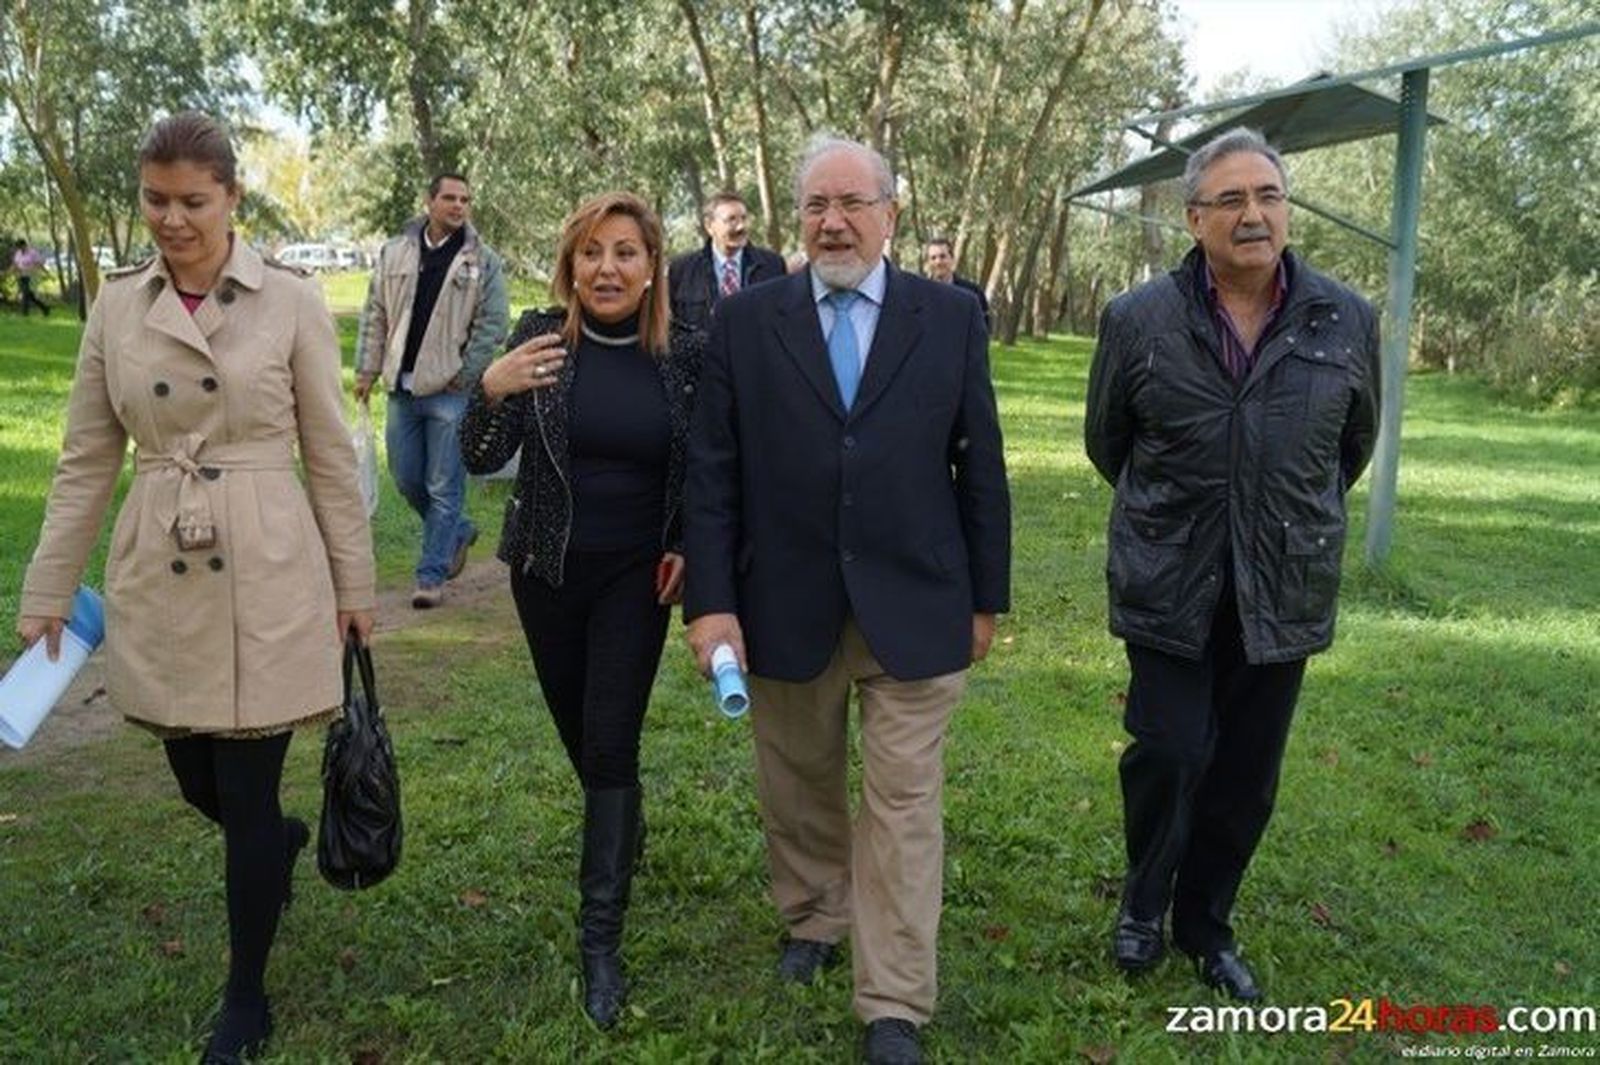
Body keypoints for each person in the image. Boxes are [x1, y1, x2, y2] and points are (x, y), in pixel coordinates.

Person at [15, 111, 376, 1063]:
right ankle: (277, 847)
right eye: (155, 200)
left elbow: (332, 455)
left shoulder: (290, 301)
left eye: (192, 201)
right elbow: (88, 456)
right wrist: (47, 589)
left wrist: (355, 586)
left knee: (248, 793)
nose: (171, 220)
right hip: (162, 556)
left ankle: (245, 996)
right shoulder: (115, 305)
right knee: (195, 776)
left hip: (264, 557)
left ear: (231, 201)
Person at [683, 135, 1011, 1065]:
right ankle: (817, 916)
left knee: (904, 804)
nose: (833, 222)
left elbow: (979, 464)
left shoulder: (948, 318)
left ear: (890, 216)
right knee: (799, 780)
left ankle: (895, 1000)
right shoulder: (750, 324)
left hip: (917, 599)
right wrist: (711, 603)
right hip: (781, 601)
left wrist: (987, 598)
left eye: (853, 204)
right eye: (817, 205)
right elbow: (713, 473)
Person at [1084, 128, 1380, 1001]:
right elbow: (1110, 442)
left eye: (1270, 196)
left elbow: (1351, 446)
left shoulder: (1345, 316)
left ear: (1286, 207)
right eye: (1233, 200)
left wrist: (1276, 515)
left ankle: (1205, 923)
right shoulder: (1138, 319)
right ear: (1195, 217)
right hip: (1171, 575)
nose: (1255, 215)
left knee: (1247, 775)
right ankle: (1143, 898)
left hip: (1283, 581)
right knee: (1170, 749)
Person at [458, 191, 702, 1029]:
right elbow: (480, 454)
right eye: (592, 253)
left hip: (637, 581)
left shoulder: (683, 357)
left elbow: (709, 469)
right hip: (546, 574)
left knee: (610, 739)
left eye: (625, 252)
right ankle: (619, 821)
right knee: (583, 739)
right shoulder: (541, 340)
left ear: (650, 267)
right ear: (570, 266)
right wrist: (487, 388)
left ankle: (601, 941)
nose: (607, 268)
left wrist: (688, 542)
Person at [354, 172, 509, 609]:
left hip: (450, 392)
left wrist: (467, 373)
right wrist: (366, 369)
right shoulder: (395, 251)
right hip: (401, 389)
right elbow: (375, 314)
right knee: (406, 479)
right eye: (449, 198)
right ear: (429, 202)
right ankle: (457, 531)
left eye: (465, 199)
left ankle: (430, 575)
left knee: (443, 485)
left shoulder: (483, 260)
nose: (459, 206)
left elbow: (493, 324)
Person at [667, 191, 786, 334]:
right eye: (731, 219)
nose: (741, 226)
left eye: (744, 218)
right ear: (709, 226)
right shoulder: (682, 270)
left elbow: (783, 321)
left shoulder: (772, 265)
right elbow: (674, 327)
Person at [922, 237, 990, 334]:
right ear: (928, 262)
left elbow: (983, 331)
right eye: (933, 258)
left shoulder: (973, 292)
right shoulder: (920, 294)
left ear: (952, 259)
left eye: (942, 256)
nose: (938, 262)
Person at [11, 238, 50, 316]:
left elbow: (39, 263)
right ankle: (44, 308)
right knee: (29, 295)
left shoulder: (33, 253)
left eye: (20, 247)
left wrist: (46, 272)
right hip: (21, 276)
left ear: (24, 245)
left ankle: (24, 314)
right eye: (18, 247)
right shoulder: (18, 253)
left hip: (31, 276)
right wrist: (8, 272)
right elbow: (15, 265)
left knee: (25, 293)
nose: (19, 249)